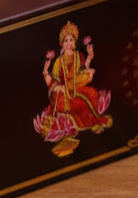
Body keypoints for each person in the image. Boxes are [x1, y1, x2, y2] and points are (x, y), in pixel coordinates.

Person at [33, 21, 112, 155]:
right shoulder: (59, 61)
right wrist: (48, 74)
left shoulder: (78, 56)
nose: (69, 43)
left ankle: (95, 121)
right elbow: (55, 78)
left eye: (71, 40)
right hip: (64, 89)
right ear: (62, 44)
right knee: (69, 104)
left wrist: (90, 57)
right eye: (66, 40)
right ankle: (69, 133)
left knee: (91, 93)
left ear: (75, 43)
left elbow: (83, 70)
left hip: (76, 85)